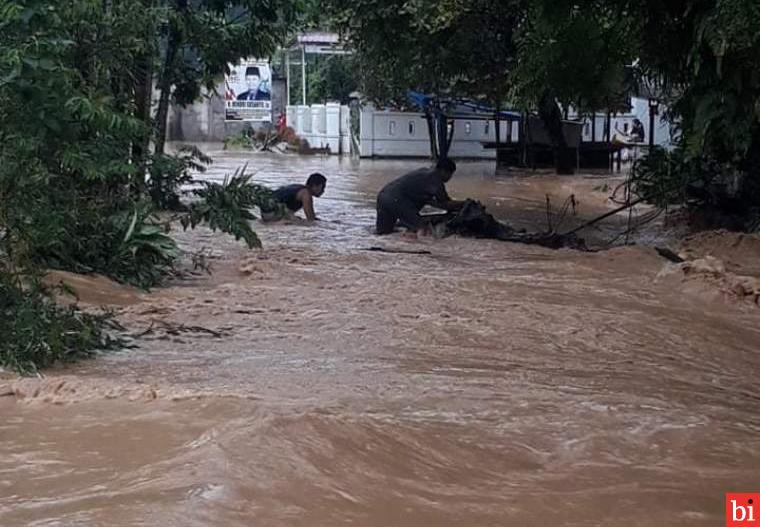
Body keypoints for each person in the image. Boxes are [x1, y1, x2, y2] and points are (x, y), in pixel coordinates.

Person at [375, 158, 463, 235]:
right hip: (397, 200)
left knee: (384, 233)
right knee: (422, 227)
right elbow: (445, 203)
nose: (450, 178)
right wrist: (464, 203)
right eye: (450, 174)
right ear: (443, 171)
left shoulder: (424, 172)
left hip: (383, 197)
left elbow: (432, 202)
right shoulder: (436, 181)